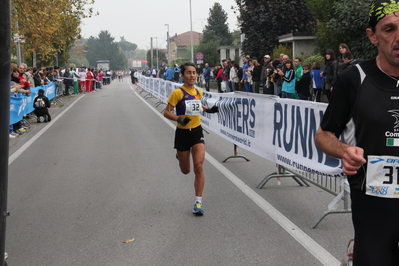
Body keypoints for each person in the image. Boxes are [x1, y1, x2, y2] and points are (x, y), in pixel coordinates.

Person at [315, 1, 399, 264]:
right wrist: (344, 150)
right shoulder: (355, 78)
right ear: (372, 35)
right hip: (374, 204)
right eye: (389, 29)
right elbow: (324, 134)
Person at [163, 62, 219, 215]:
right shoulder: (178, 93)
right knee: (186, 170)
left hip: (196, 132)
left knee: (199, 166)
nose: (192, 75)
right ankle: (181, 156)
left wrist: (209, 110)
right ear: (182, 75)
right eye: (188, 73)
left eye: (194, 72)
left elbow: (198, 106)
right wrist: (178, 119)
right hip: (182, 134)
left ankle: (198, 203)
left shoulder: (198, 92)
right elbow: (166, 112)